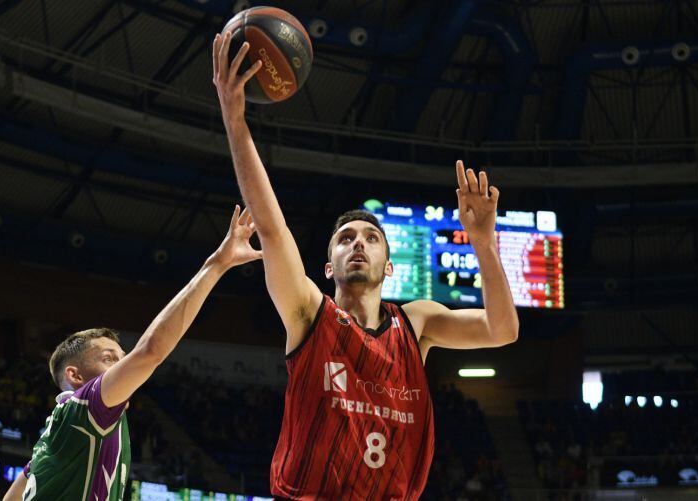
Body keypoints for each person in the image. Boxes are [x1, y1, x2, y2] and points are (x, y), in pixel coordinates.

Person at [211, 31, 520, 499]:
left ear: (389, 267)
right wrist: (236, 121)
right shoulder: (309, 313)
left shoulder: (416, 323)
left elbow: (503, 329)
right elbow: (273, 230)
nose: (358, 244)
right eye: (345, 239)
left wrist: (482, 244)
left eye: (372, 239)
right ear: (329, 266)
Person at [3, 206, 261, 501]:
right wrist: (217, 264)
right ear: (75, 376)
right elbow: (150, 351)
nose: (122, 367)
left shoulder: (52, 437)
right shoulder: (87, 407)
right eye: (109, 359)